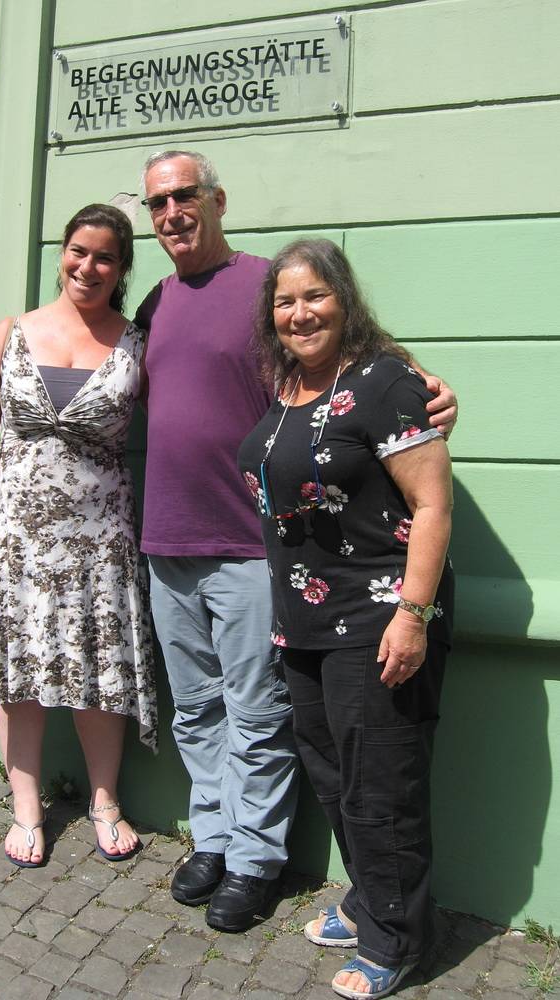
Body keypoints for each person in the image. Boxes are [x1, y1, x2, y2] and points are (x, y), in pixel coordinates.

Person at [135, 149, 457, 932]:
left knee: (254, 713)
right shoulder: (154, 301)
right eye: (157, 204)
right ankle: (210, 838)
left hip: (251, 545)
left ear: (216, 200)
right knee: (197, 711)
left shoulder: (264, 284)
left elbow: (365, 363)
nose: (172, 213)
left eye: (185, 196)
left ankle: (253, 857)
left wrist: (431, 392)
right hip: (165, 539)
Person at [238, 238, 454, 996]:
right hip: (301, 622)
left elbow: (431, 504)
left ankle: (397, 941)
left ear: (344, 299)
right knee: (333, 778)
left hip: (375, 619)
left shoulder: (385, 382)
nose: (299, 313)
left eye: (314, 296)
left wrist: (412, 615)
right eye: (284, 301)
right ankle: (369, 902)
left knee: (379, 785)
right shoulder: (289, 385)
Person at [0, 203, 157, 868]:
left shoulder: (136, 343)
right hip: (15, 537)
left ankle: (103, 800)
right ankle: (26, 807)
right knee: (20, 675)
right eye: (78, 251)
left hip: (99, 540)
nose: (88, 266)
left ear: (121, 268)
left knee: (98, 671)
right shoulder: (12, 333)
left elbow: (192, 411)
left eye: (104, 257)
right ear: (63, 253)